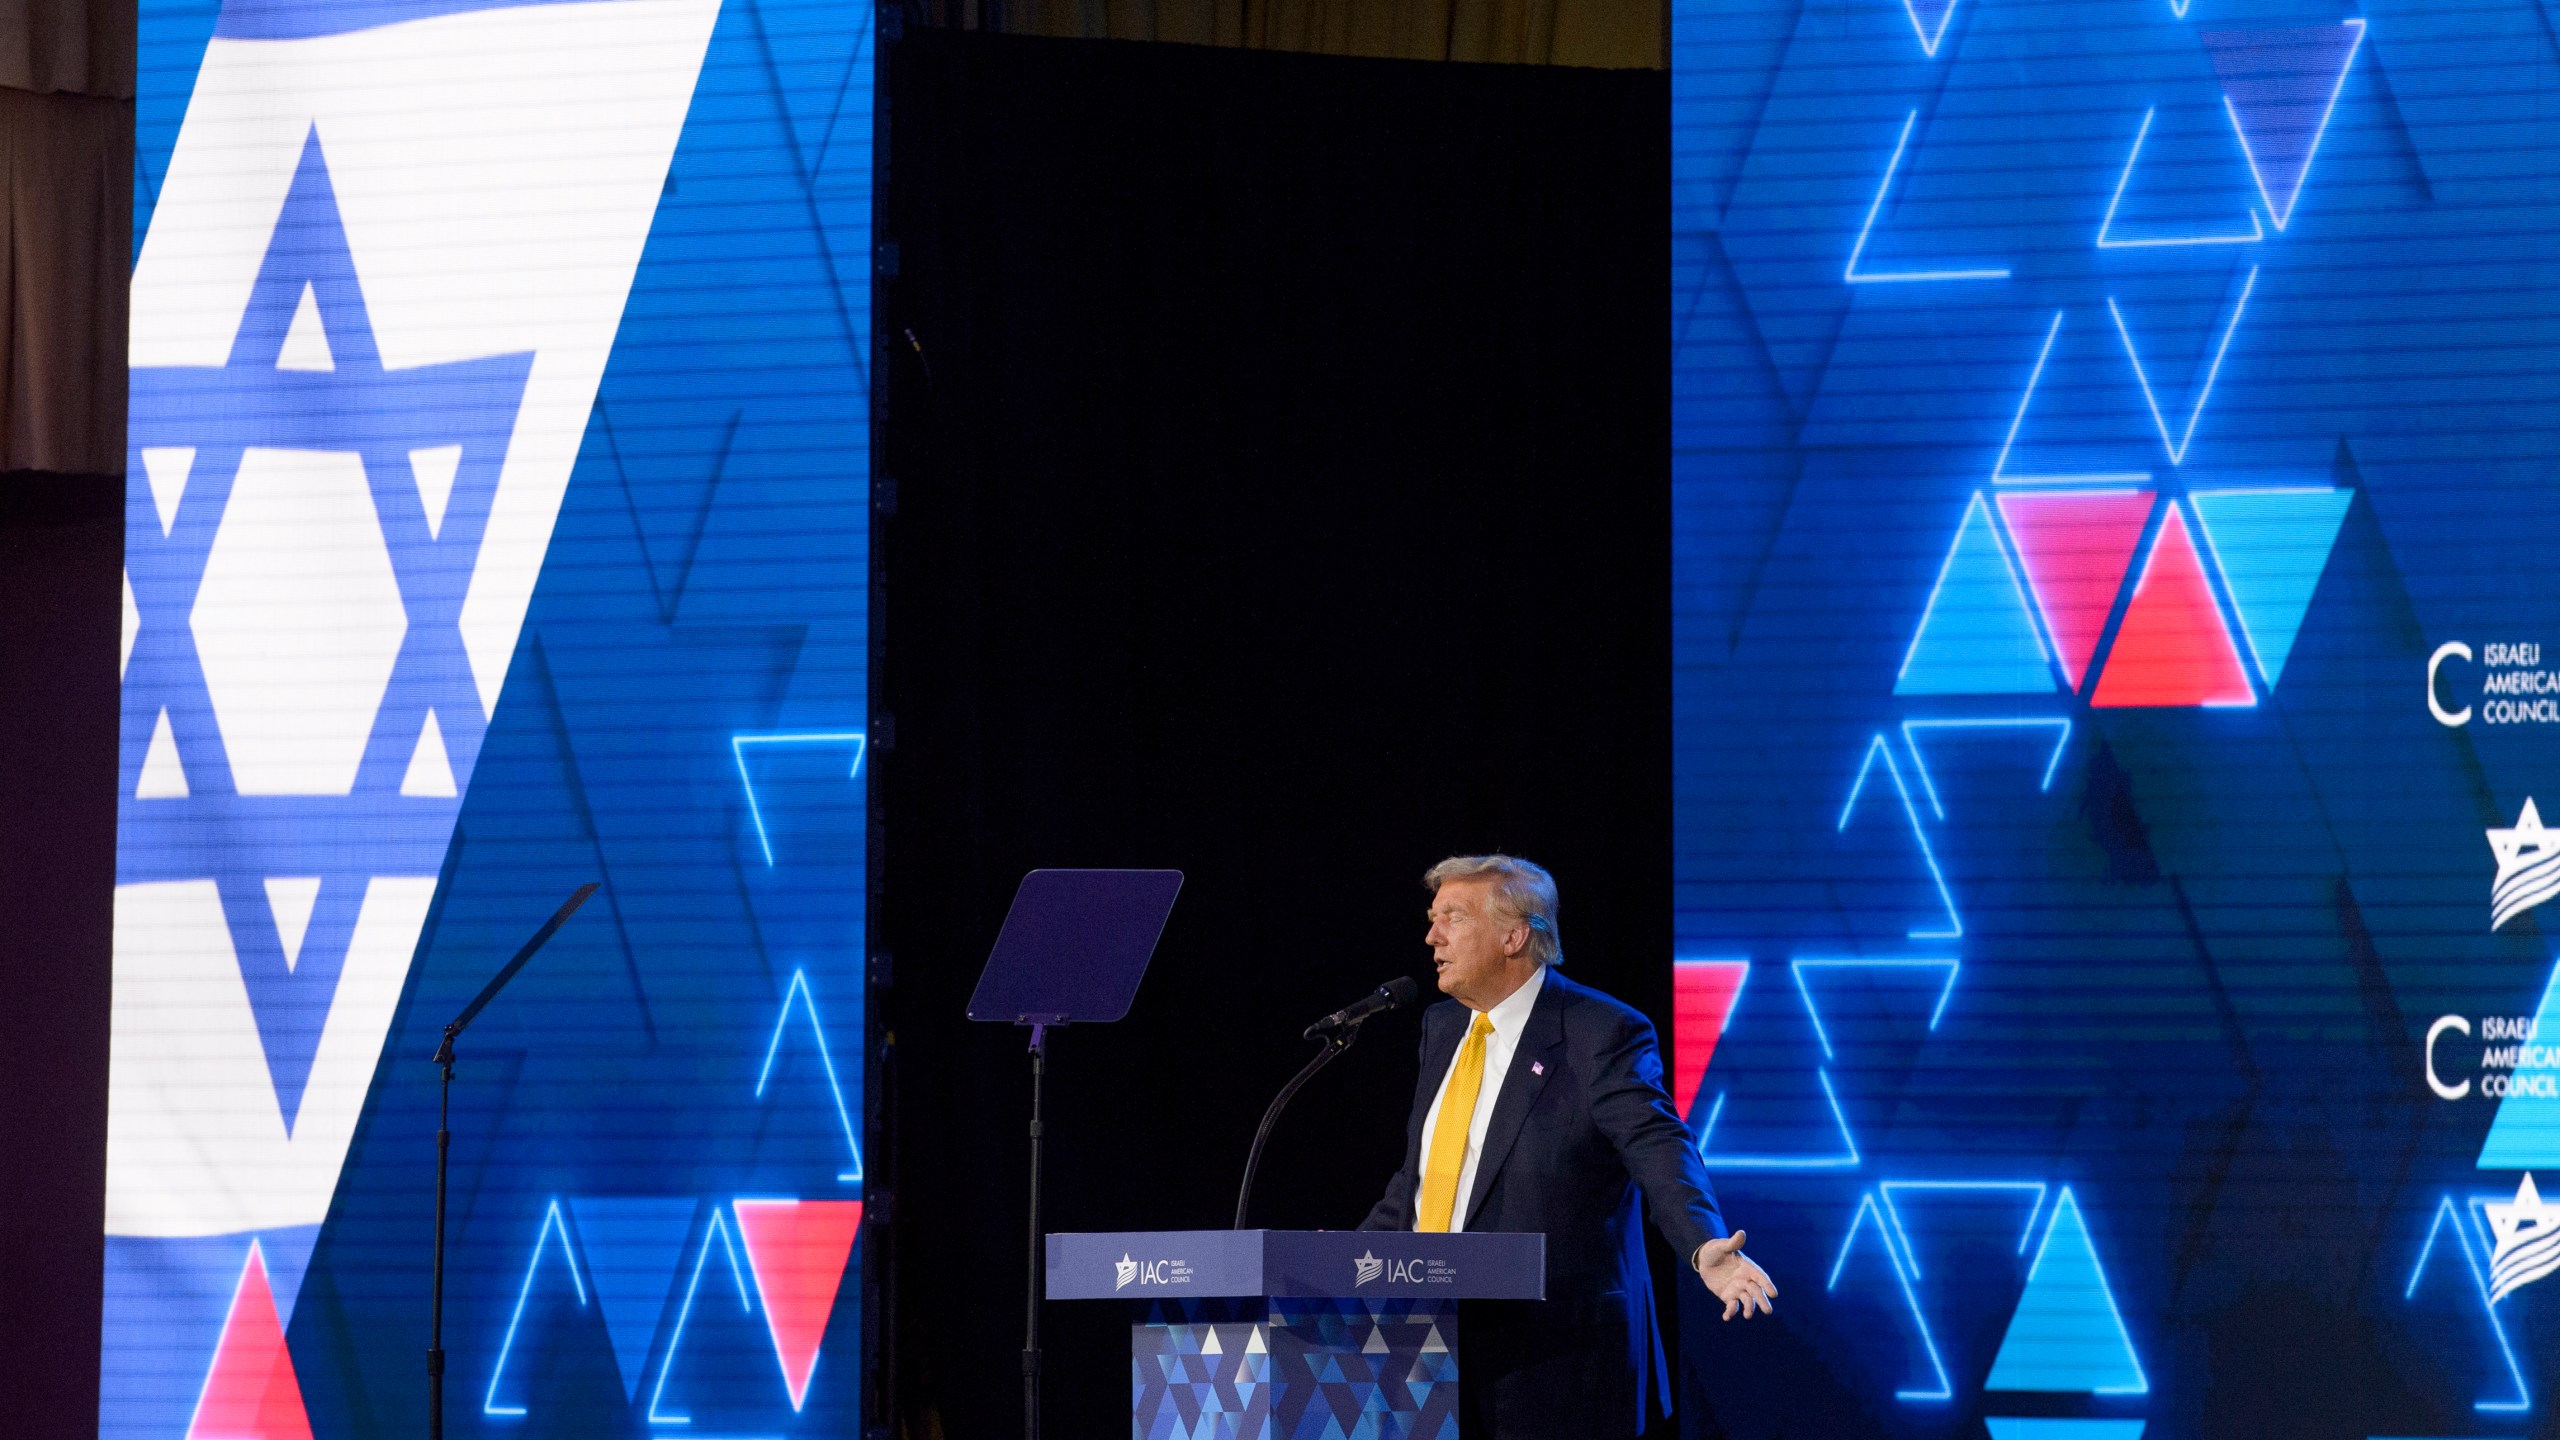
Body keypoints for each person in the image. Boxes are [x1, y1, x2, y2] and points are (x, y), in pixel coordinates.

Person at [1361, 854, 1774, 1437]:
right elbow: (1427, 1176)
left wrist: (1705, 1242)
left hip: (1553, 1358)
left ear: (1513, 935)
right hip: (1428, 1354)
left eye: (1451, 918)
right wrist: (1347, 1266)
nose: (1432, 936)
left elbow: (1658, 1145)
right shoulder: (1442, 1027)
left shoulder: (1599, 1030)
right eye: (1433, 918)